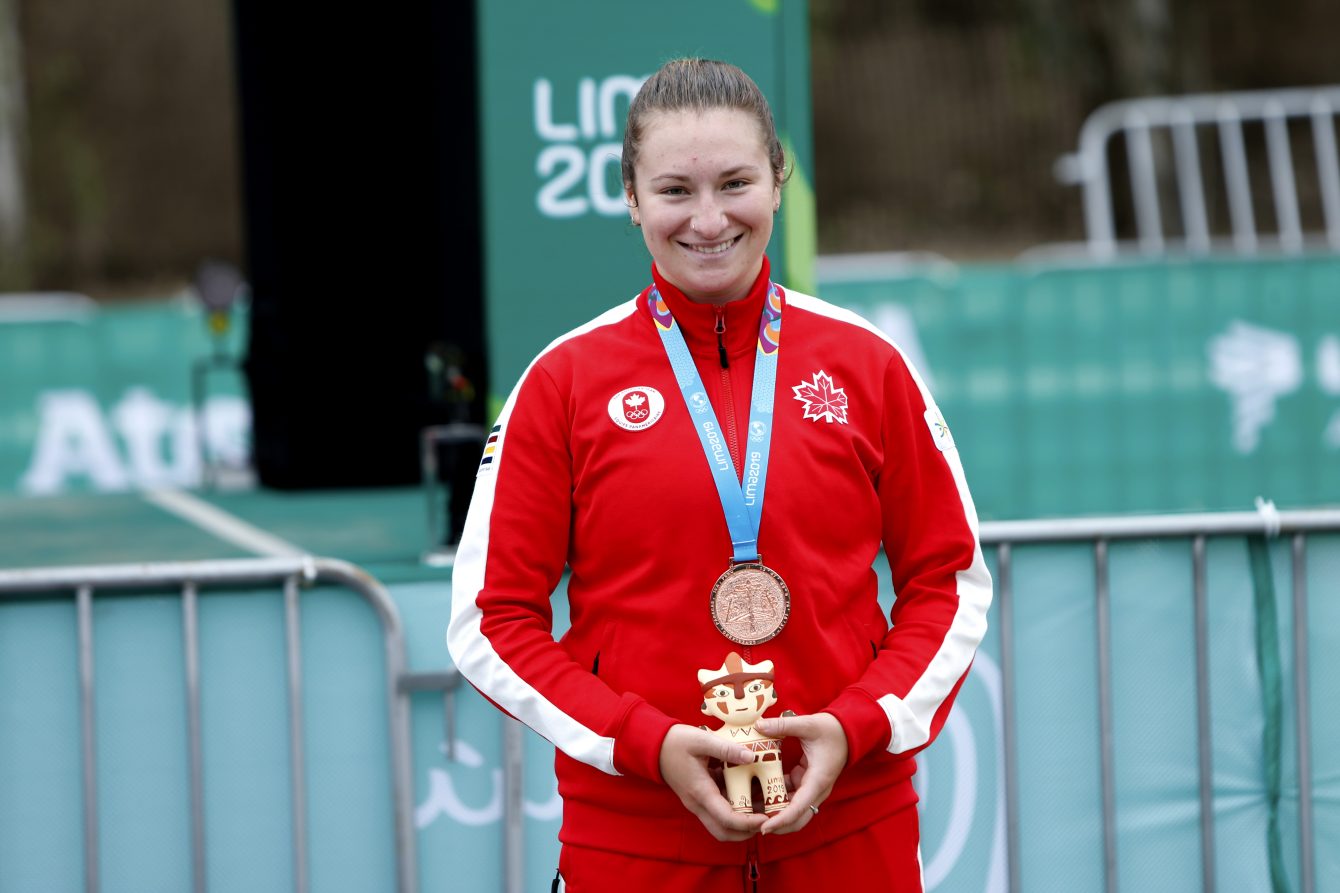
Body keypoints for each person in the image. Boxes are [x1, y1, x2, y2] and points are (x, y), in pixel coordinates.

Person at [448, 57, 991, 892]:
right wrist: (644, 742)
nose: (708, 220)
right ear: (631, 198)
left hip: (854, 834)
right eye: (674, 191)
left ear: (777, 180)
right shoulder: (563, 383)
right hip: (635, 844)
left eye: (736, 183)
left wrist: (858, 723)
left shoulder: (867, 364)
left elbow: (948, 581)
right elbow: (491, 620)